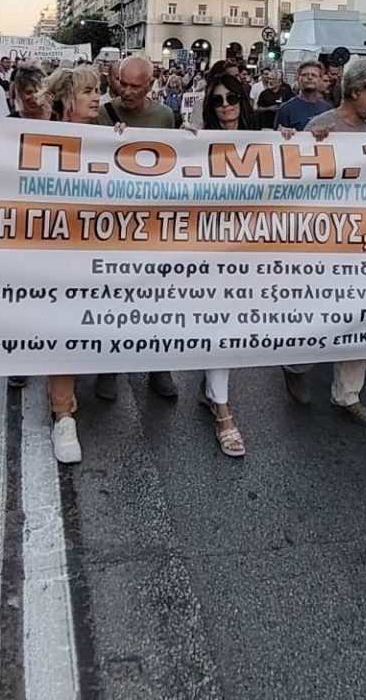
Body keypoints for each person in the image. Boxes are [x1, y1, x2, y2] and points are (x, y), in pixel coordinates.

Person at [282, 58, 366, 428]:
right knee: (319, 314)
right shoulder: (321, 126)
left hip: (364, 242)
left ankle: (348, 395)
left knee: (361, 317)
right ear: (356, 91)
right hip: (325, 243)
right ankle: (296, 366)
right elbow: (297, 179)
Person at [182, 69, 264, 456]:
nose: (226, 106)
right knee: (220, 326)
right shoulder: (197, 140)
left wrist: (298, 141)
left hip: (249, 250)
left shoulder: (264, 139)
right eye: (217, 100)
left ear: (242, 100)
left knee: (232, 327)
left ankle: (213, 392)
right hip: (209, 249)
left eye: (232, 98)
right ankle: (223, 412)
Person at [95, 55, 179, 403]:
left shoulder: (165, 116)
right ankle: (108, 367)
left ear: (150, 85)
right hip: (112, 223)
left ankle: (158, 366)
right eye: (122, 84)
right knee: (112, 297)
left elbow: (176, 159)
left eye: (134, 86)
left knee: (156, 299)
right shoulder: (101, 114)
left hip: (152, 223)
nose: (126, 92)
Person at [42, 64, 106, 464]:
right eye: (87, 91)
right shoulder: (40, 139)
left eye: (98, 90)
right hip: (58, 251)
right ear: (67, 99)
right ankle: (63, 415)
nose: (97, 97)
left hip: (101, 251)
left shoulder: (111, 138)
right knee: (61, 328)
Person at [274, 60, 332, 131]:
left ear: (320, 80)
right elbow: (276, 136)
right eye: (305, 75)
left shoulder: (327, 109)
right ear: (298, 79)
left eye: (314, 75)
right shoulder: (286, 109)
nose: (309, 77)